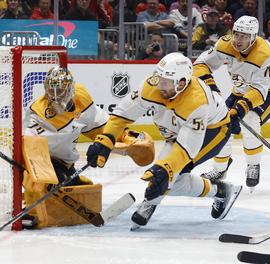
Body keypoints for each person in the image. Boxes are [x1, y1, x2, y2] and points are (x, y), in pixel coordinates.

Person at [86, 52, 242, 228]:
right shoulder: (152, 86)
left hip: (212, 131)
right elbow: (121, 116)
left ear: (181, 83)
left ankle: (217, 190)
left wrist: (166, 169)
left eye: (165, 82)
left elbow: (185, 150)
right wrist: (106, 139)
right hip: (176, 132)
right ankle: (216, 190)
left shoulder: (197, 102)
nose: (159, 85)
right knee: (167, 177)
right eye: (159, 78)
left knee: (170, 177)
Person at [23, 66, 153, 228]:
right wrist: (40, 179)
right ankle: (29, 203)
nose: (56, 97)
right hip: (44, 164)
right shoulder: (37, 114)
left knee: (84, 193)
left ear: (71, 88)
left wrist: (127, 140)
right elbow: (31, 150)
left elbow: (101, 127)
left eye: (61, 91)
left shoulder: (81, 98)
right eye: (52, 91)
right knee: (48, 194)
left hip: (66, 164)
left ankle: (63, 184)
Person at [194, 16, 270, 191]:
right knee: (220, 124)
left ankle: (253, 165)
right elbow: (200, 64)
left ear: (253, 37)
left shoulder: (264, 54)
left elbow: (260, 91)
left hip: (269, 91)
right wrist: (211, 86)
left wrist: (240, 108)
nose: (238, 40)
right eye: (237, 34)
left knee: (251, 118)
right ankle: (220, 170)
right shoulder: (225, 44)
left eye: (244, 36)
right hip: (241, 89)